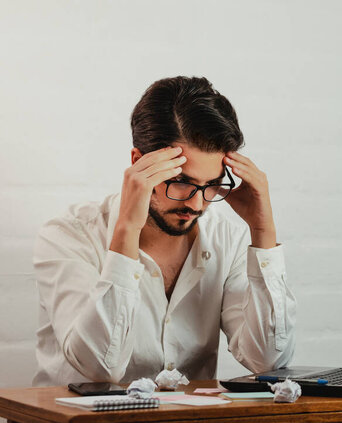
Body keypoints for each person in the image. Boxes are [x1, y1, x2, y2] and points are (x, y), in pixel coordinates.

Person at [32, 76, 296, 386]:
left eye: (211, 185)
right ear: (138, 163)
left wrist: (262, 230)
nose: (197, 203)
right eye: (181, 181)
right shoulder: (69, 236)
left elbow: (268, 361)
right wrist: (127, 230)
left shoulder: (230, 240)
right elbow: (99, 368)